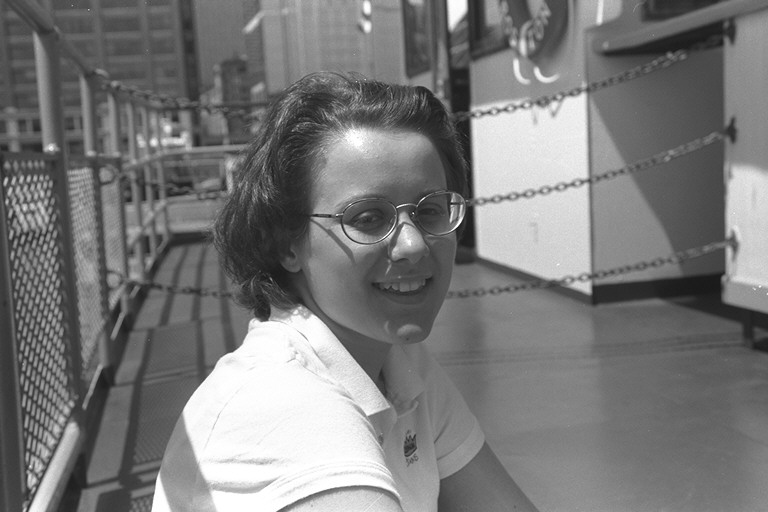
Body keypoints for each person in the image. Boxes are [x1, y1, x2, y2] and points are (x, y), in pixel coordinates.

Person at [152, 71, 539, 512]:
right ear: (286, 243)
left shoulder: (399, 367)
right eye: (368, 218)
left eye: (431, 210)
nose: (413, 244)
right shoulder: (283, 406)